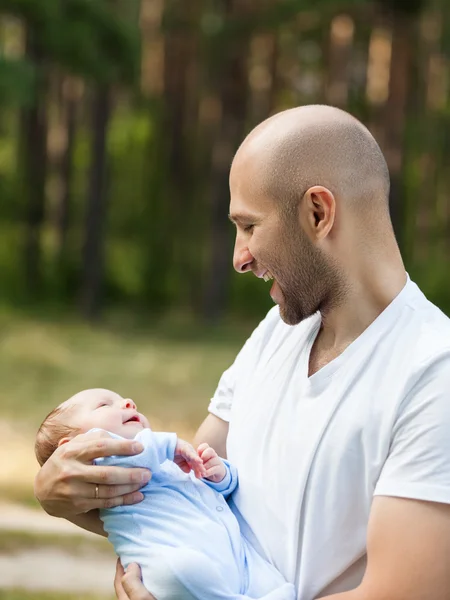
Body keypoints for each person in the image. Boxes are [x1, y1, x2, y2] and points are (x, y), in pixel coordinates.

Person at [34, 105, 450, 600]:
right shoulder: (278, 332)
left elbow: (402, 593)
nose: (239, 257)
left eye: (250, 226)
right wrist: (58, 496)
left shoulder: (432, 374)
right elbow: (186, 493)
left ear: (319, 212)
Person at [35, 388, 295, 600]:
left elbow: (216, 493)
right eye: (104, 405)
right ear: (70, 451)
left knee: (270, 583)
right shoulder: (105, 464)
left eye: (122, 399)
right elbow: (134, 450)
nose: (128, 402)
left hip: (231, 553)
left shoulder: (165, 461)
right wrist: (171, 444)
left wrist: (220, 475)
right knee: (188, 572)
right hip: (172, 562)